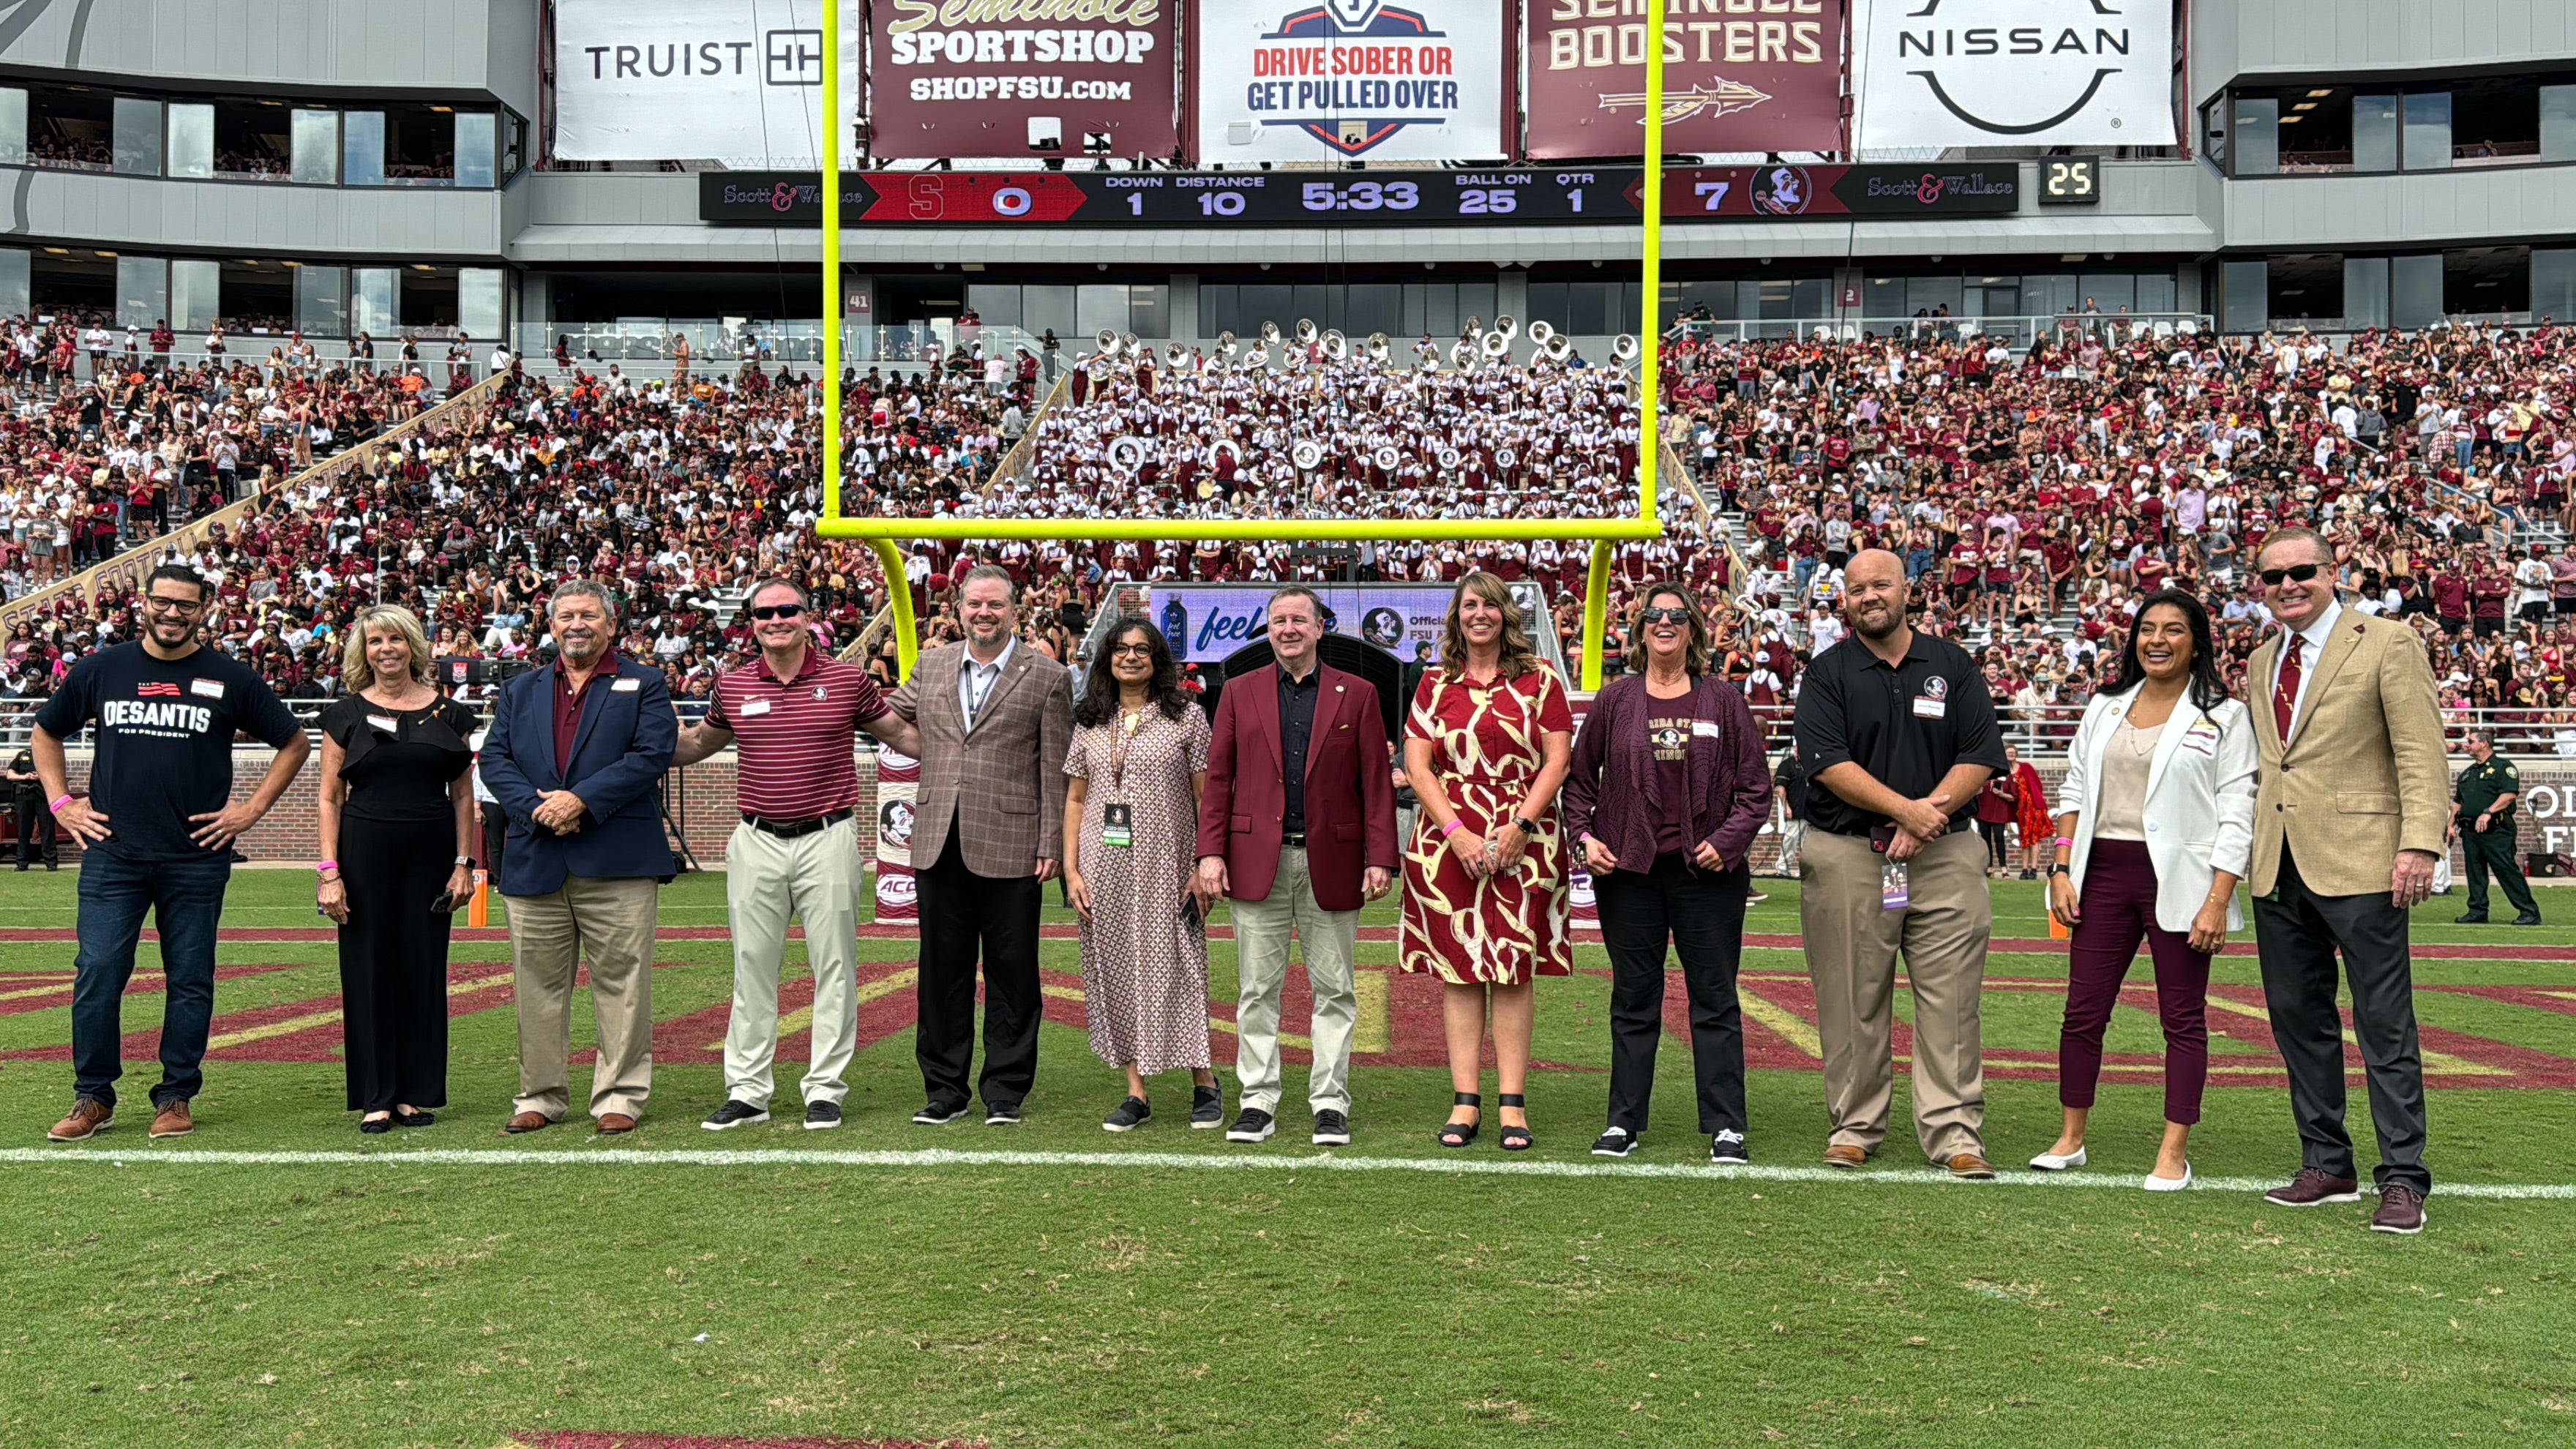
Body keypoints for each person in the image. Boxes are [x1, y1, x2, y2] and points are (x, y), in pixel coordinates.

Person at [37, 564, 310, 1143]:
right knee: (99, 972)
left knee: (190, 978)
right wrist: (61, 803)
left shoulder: (228, 677)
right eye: (163, 602)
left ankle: (176, 1094)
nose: (172, 614)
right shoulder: (102, 668)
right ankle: (93, 1096)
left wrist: (250, 811)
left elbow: (294, 741)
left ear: (205, 608)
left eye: (186, 606)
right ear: (144, 602)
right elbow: (45, 731)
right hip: (115, 854)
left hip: (196, 857)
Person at [2244, 526, 2446, 1234]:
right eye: (2272, 577)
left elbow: (2421, 749)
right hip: (2279, 863)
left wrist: (2420, 842)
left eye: (2301, 571)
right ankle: (2327, 1163)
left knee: (2385, 1027)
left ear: (2335, 572)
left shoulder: (2388, 642)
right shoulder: (2261, 659)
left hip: (2365, 859)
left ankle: (2403, 1177)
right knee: (2300, 1023)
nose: (2287, 585)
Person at [673, 578, 921, 1133]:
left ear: (809, 617)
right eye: (765, 612)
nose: (776, 619)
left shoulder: (847, 679)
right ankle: (748, 1090)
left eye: (788, 610)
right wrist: (636, 730)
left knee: (835, 967)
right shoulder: (731, 686)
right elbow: (694, 747)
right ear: (751, 621)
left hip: (828, 836)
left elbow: (904, 737)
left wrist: (980, 749)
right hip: (756, 837)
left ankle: (825, 1089)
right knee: (751, 969)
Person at [1791, 549, 2007, 1177]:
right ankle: (1855, 1125)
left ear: (1907, 590)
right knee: (1851, 996)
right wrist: (1904, 814)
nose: (1868, 597)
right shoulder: (1827, 673)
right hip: (1851, 854)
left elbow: (1980, 752)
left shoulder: (1952, 664)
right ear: (1845, 601)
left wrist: (1925, 817)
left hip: (1945, 854)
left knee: (1953, 999)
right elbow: (1827, 763)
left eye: (1880, 584)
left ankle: (1956, 1133)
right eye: (1856, 590)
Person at [2040, 590, 2255, 1189]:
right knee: (2082, 1014)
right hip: (2100, 874)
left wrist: (2217, 899)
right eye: (2147, 629)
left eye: (2174, 630)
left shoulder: (2225, 716)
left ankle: (2172, 1153)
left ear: (2198, 642)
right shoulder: (2105, 706)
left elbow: (2239, 812)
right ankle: (2071, 1137)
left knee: (2182, 1019)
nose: (2157, 640)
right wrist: (2061, 869)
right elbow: (2075, 792)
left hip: (2182, 882)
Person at [1562, 584, 1770, 1162]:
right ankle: (1623, 1121)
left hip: (1706, 874)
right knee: (1633, 997)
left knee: (1714, 997)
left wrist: (1725, 843)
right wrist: (1584, 840)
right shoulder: (1615, 700)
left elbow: (1756, 791)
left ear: (1693, 630)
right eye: (1655, 614)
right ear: (1641, 629)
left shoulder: (1724, 701)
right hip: (1630, 873)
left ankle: (1727, 1125)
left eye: (1678, 616)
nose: (1665, 623)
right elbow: (1579, 787)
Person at [1198, 585, 1397, 1146]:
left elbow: (1376, 786)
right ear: (1268, 628)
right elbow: (1219, 781)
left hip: (1328, 858)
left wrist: (1380, 856)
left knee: (1334, 989)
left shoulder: (1356, 694)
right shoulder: (1238, 692)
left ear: (1318, 627)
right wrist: (1209, 851)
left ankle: (1330, 1102)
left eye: (1299, 620)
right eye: (1278, 620)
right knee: (1257, 990)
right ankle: (1257, 1101)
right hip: (1255, 858)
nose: (1288, 629)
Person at [479, 580, 677, 1137]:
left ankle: (620, 1094)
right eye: (566, 615)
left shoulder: (645, 682)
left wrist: (581, 801)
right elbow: (495, 759)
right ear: (551, 624)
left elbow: (651, 755)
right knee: (536, 987)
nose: (576, 624)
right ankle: (539, 1094)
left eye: (588, 615)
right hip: (537, 855)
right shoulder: (523, 689)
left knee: (623, 983)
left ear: (610, 624)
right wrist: (538, 810)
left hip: (617, 858)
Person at [885, 564, 1074, 1127]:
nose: (984, 613)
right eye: (974, 604)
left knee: (1013, 971)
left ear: (1015, 610)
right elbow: (889, 719)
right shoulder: (934, 663)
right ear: (958, 609)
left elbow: (1054, 769)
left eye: (995, 605)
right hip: (939, 837)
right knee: (942, 970)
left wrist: (1051, 844)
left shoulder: (1047, 676)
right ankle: (944, 1087)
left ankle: (1005, 1090)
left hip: (1015, 842)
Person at [1401, 573, 1575, 1152]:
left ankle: (1513, 1104)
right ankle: (1465, 1100)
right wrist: (1457, 833)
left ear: (1506, 615)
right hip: (1449, 836)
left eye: (1490, 605)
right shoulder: (1433, 684)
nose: (1480, 614)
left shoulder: (1539, 679)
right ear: (1457, 617)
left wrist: (1521, 826)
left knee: (1513, 969)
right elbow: (1419, 767)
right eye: (1470, 605)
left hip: (1524, 835)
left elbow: (1557, 761)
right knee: (1461, 968)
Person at [315, 606, 478, 1134]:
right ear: (363, 652)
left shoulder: (451, 715)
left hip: (431, 856)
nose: (386, 649)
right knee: (367, 971)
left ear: (414, 645)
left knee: (423, 970)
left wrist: (463, 865)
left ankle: (414, 1092)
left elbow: (462, 796)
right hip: (363, 853)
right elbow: (329, 798)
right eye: (375, 641)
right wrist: (328, 871)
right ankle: (377, 1094)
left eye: (396, 639)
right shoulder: (345, 714)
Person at [1061, 618, 1220, 1132]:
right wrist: (1071, 870)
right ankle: (1135, 1091)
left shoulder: (1187, 718)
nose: (1131, 657)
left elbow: (1205, 797)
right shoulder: (1089, 721)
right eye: (1122, 649)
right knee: (1114, 971)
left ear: (1158, 660)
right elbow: (1077, 799)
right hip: (1102, 866)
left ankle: (1205, 1083)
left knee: (1181, 963)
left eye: (1142, 650)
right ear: (1107, 657)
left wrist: (1204, 863)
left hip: (1169, 863)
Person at [2449, 729, 2539, 926]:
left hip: (2496, 830)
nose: (2467, 745)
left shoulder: (2503, 768)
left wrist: (2489, 812)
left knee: (2505, 869)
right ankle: (2477, 910)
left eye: (2471, 741)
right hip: (2471, 830)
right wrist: (2450, 826)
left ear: (2484, 744)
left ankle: (2529, 911)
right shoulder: (2468, 773)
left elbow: (2509, 795)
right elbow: (2458, 802)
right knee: (2475, 872)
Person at [7, 745, 56, 869]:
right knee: (23, 831)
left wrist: (40, 777)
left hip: (43, 796)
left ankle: (51, 863)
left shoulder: (49, 754)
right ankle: (22, 864)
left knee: (47, 830)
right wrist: (24, 777)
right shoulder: (22, 755)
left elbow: (56, 774)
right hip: (24, 797)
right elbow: (10, 774)